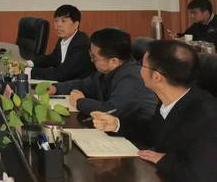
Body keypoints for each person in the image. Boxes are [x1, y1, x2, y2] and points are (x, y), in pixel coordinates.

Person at [91, 40, 217, 182]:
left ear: (157, 77)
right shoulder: (172, 99)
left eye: (142, 65)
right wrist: (117, 124)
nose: (139, 69)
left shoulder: (207, 117)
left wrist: (163, 160)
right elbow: (154, 130)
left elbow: (200, 175)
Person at [49, 28, 157, 120]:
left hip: (137, 137)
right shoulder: (108, 71)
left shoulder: (133, 78)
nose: (91, 60)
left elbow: (111, 110)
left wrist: (80, 102)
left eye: (94, 57)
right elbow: (85, 85)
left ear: (114, 61)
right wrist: (56, 88)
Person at [24, 5, 95, 81]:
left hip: (77, 86)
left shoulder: (81, 44)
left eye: (63, 21)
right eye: (56, 21)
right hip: (65, 83)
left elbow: (62, 74)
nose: (58, 25)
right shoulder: (64, 38)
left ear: (76, 24)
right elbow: (52, 58)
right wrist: (28, 63)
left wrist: (28, 71)